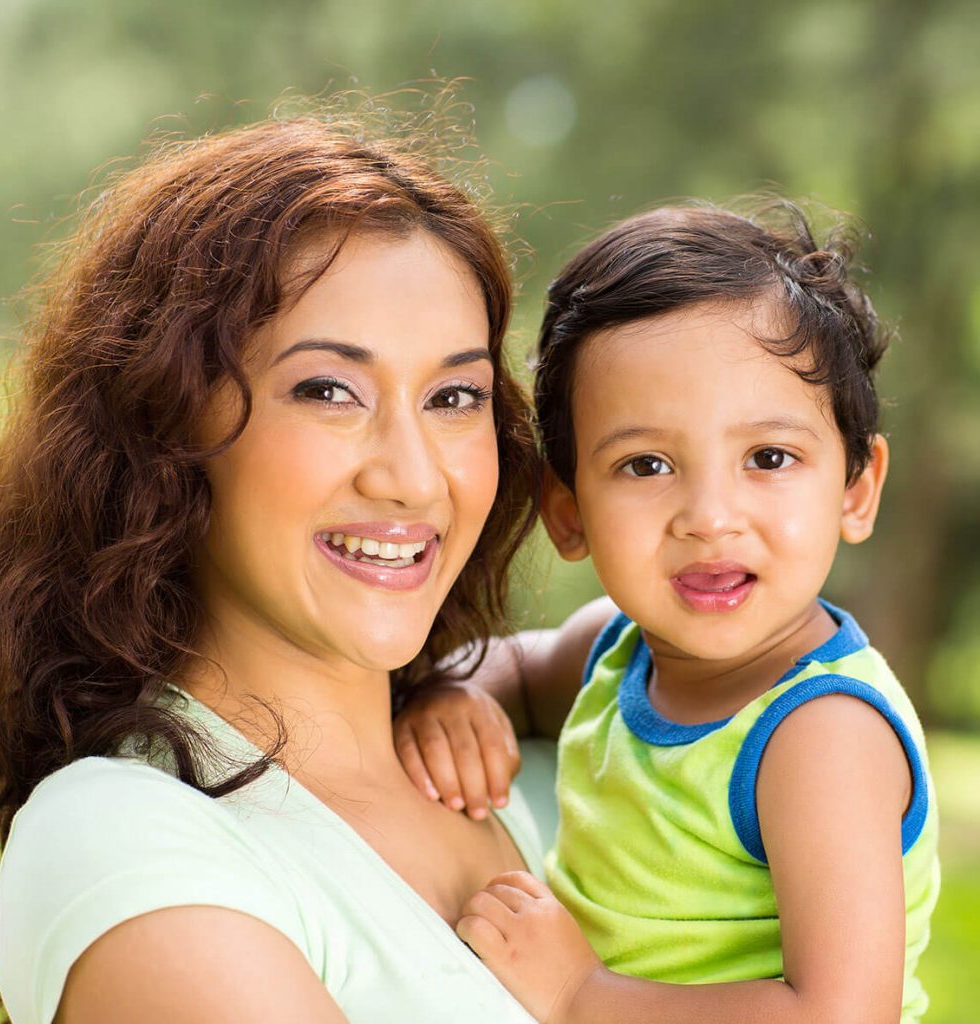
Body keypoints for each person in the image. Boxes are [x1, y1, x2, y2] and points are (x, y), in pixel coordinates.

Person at [0, 108, 555, 1023]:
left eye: (455, 396)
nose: (412, 475)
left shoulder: (552, 770)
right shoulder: (125, 839)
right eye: (327, 390)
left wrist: (480, 691)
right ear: (164, 424)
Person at [395, 202, 941, 1023]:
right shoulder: (611, 654)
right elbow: (505, 669)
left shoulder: (819, 735)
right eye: (647, 464)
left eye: (769, 457)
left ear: (856, 490)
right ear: (568, 512)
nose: (710, 516)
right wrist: (450, 698)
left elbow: (840, 1013)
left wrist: (583, 994)